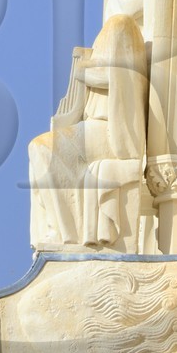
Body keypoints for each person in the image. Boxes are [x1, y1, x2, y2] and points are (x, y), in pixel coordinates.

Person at [28, 13, 150, 251]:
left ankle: (64, 232)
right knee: (39, 150)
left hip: (107, 132)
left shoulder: (121, 27)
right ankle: (59, 229)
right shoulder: (106, 34)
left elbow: (119, 75)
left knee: (42, 149)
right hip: (92, 127)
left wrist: (83, 70)